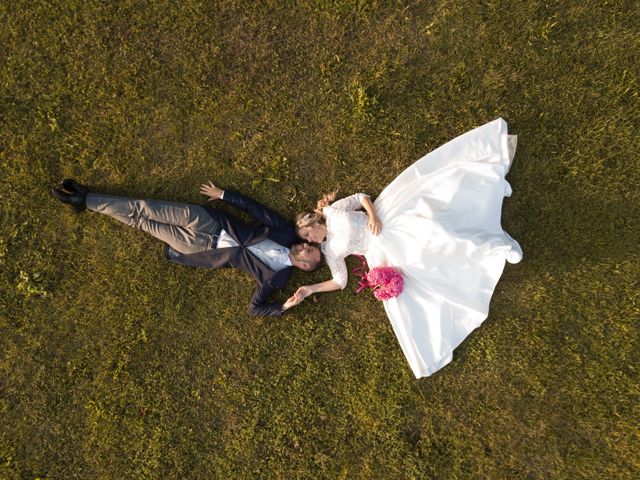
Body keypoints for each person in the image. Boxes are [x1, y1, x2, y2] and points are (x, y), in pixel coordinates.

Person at [294, 118, 523, 378]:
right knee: (432, 257)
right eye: (306, 239)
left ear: (311, 222)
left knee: (437, 223)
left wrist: (372, 216)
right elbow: (340, 281)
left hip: (386, 220)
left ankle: (490, 212)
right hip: (381, 251)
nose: (310, 239)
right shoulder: (331, 251)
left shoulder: (332, 212)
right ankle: (497, 248)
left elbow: (360, 197)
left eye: (306, 233)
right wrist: (310, 289)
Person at [51, 179, 321, 316]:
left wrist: (284, 307)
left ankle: (84, 202)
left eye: (309, 251)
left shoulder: (277, 278)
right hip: (209, 221)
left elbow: (254, 308)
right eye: (310, 244)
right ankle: (86, 198)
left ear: (305, 266)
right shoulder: (286, 232)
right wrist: (224, 195)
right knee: (144, 208)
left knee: (140, 223)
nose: (306, 245)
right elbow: (257, 210)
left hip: (199, 247)